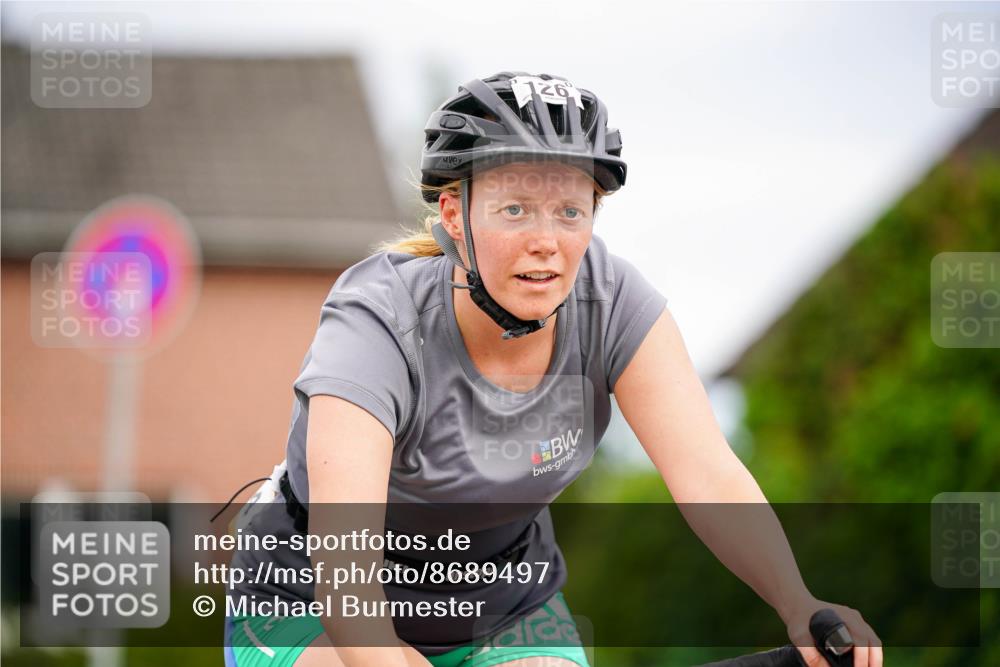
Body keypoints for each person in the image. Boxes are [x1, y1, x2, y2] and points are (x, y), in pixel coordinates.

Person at [223, 71, 883, 667]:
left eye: (570, 211)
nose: (546, 240)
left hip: (502, 604)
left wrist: (798, 604)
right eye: (515, 209)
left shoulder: (617, 304)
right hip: (311, 594)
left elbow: (708, 472)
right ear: (455, 214)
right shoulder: (377, 320)